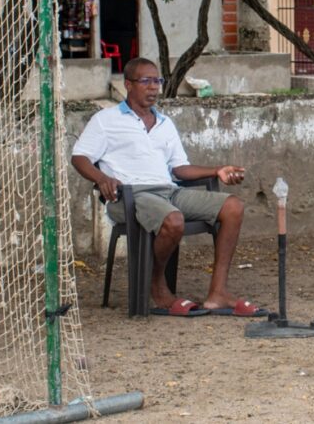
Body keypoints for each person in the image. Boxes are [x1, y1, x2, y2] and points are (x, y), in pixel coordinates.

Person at [71, 57, 265, 317]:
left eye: (158, 81)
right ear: (128, 84)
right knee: (174, 220)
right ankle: (157, 286)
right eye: (146, 81)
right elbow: (79, 157)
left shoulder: (164, 123)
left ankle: (217, 293)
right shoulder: (106, 120)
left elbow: (179, 169)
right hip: (129, 196)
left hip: (168, 191)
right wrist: (101, 178)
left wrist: (216, 170)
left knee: (233, 207)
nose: (154, 88)